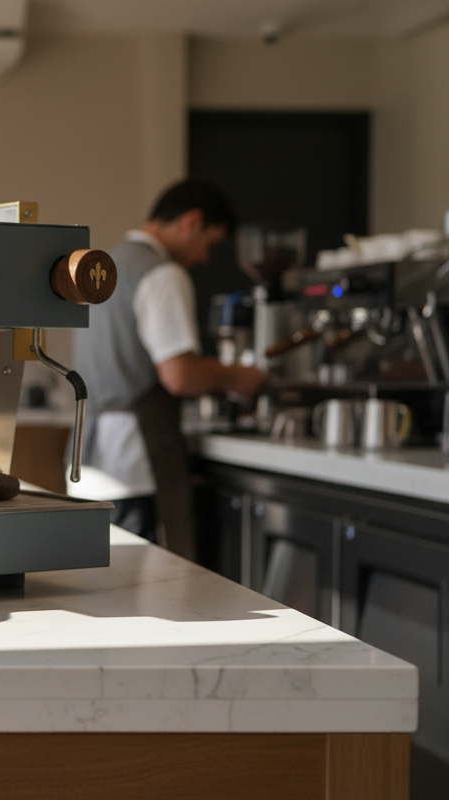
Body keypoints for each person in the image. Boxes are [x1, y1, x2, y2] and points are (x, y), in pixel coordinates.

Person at [70, 179, 264, 558]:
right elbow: (180, 375)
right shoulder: (161, 273)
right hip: (136, 465)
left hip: (88, 460)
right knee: (146, 593)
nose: (205, 258)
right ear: (191, 222)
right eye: (209, 243)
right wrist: (238, 376)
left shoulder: (105, 265)